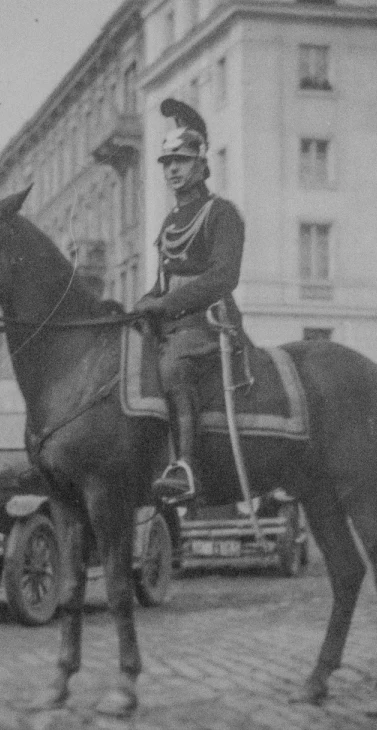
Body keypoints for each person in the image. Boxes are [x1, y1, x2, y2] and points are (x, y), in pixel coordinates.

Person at [133, 98, 245, 502]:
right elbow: (162, 283)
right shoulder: (170, 222)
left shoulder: (222, 213)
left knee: (174, 368)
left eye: (180, 160)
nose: (172, 169)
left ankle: (186, 467)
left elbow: (223, 276)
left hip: (208, 322)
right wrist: (143, 304)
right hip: (173, 321)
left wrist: (166, 305)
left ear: (201, 163)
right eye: (166, 162)